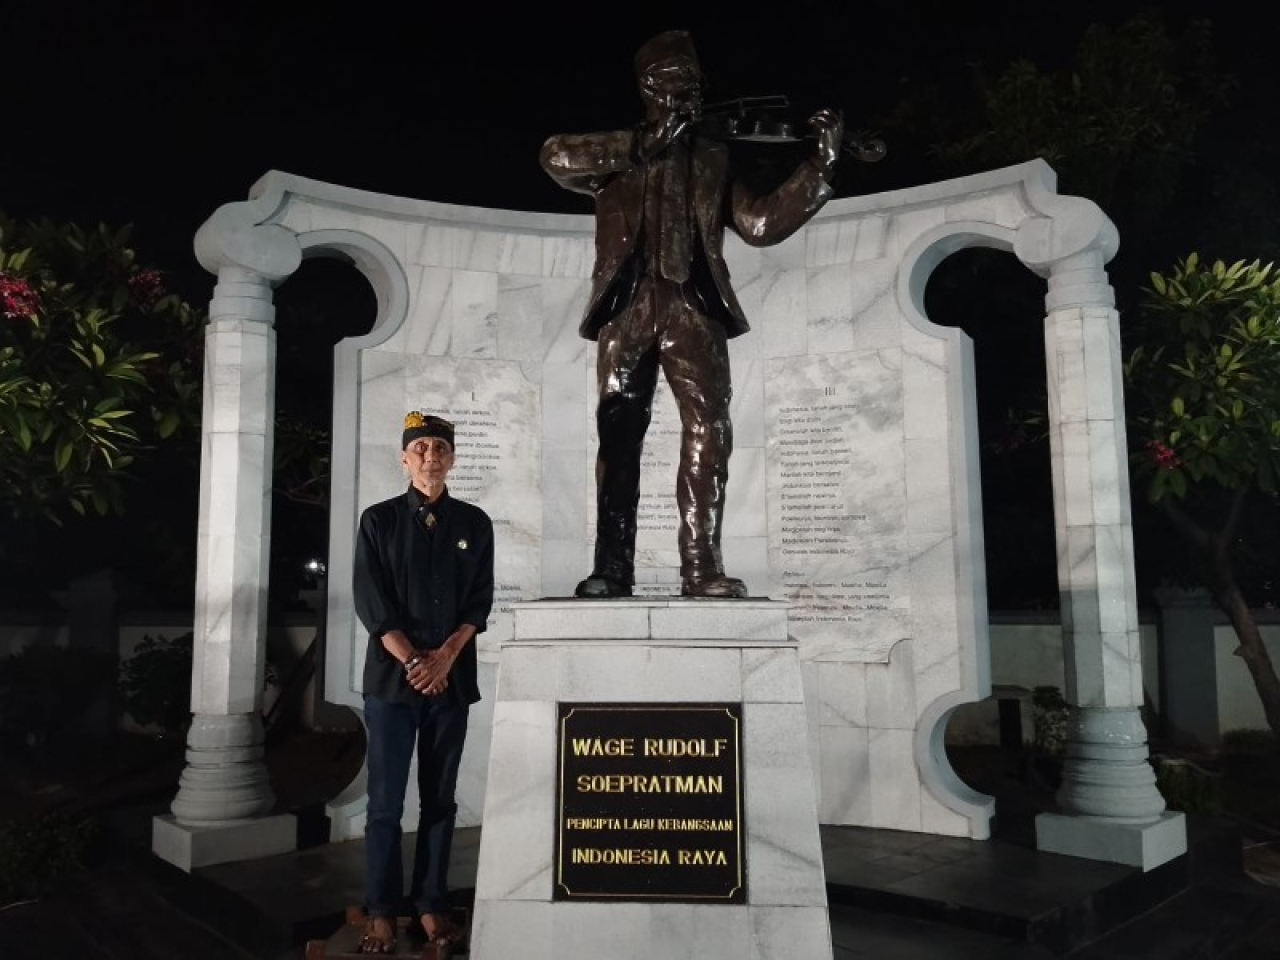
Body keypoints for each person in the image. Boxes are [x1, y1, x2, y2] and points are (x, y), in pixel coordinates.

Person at [540, 28, 843, 600]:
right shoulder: (616, 154)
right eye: (680, 82)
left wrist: (819, 169)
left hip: (694, 307)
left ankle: (701, 567)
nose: (692, 95)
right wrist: (645, 144)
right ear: (650, 86)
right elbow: (554, 155)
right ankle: (612, 568)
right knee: (619, 435)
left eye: (697, 84)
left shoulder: (713, 157)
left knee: (712, 430)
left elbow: (758, 225)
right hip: (626, 307)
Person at [351, 411, 494, 954]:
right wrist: (416, 663)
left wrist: (445, 659)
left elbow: (479, 603)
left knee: (440, 799)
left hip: (450, 682)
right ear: (405, 458)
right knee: (386, 802)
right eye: (422, 447)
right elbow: (372, 602)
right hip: (393, 682)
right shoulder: (379, 521)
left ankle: (432, 904)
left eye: (440, 448)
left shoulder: (474, 524)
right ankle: (383, 910)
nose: (431, 456)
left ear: (452, 459)